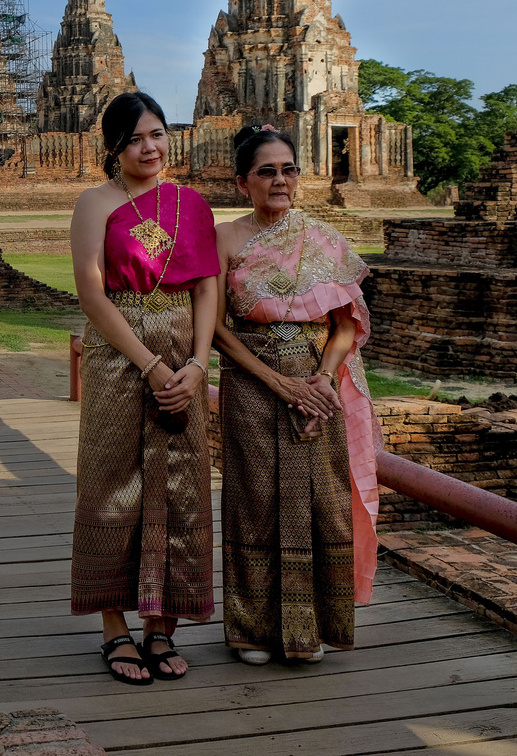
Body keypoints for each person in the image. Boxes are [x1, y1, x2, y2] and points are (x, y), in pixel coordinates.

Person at [213, 124, 380, 665]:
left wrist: (324, 379)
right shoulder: (226, 239)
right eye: (266, 171)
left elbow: (345, 326)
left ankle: (312, 628)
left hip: (316, 386)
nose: (280, 180)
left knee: (320, 501)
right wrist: (277, 381)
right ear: (243, 182)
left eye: (288, 169)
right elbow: (215, 328)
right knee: (255, 500)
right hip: (252, 384)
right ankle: (251, 630)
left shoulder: (325, 239)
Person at [68, 92, 219, 685]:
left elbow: (207, 289)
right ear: (114, 147)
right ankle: (115, 627)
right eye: (134, 139)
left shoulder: (191, 204)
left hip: (186, 352)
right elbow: (91, 294)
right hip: (118, 356)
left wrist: (199, 366)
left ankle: (164, 626)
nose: (149, 147)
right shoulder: (95, 204)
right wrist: (150, 365)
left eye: (156, 134)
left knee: (181, 485)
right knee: (113, 479)